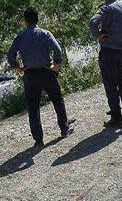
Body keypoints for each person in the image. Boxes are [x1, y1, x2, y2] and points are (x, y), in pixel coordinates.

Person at [7, 8, 75, 146]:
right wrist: (56, 65)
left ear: (25, 20)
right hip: (46, 72)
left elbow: (10, 55)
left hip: (30, 75)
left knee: (33, 107)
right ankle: (64, 129)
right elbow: (58, 50)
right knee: (57, 100)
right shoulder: (45, 34)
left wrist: (18, 68)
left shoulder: (19, 37)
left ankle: (38, 140)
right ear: (37, 19)